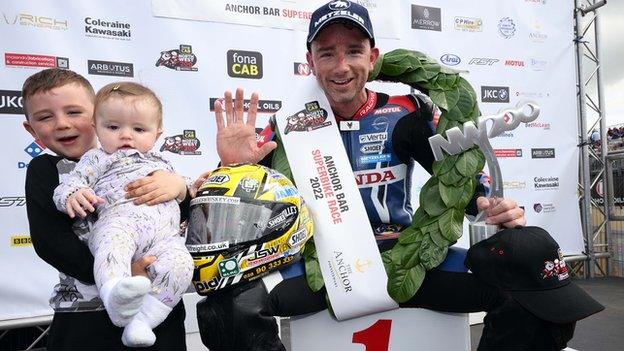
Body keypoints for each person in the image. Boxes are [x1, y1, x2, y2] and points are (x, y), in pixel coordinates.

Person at [23, 69, 190, 351]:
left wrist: (181, 189)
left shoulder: (152, 161)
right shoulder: (45, 170)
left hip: (157, 314)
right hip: (86, 319)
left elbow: (179, 220)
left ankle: (144, 319)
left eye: (73, 112)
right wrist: (125, 271)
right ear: (32, 130)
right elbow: (50, 243)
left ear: (94, 115)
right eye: (45, 117)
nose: (62, 124)